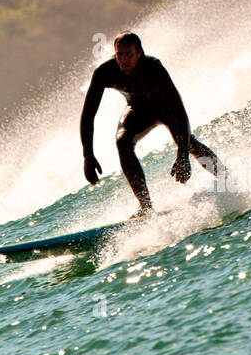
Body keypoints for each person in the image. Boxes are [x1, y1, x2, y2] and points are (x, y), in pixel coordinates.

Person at [80, 31, 224, 216]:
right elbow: (88, 115)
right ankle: (145, 206)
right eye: (119, 54)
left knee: (188, 142)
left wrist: (182, 155)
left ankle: (226, 178)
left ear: (139, 53)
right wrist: (88, 156)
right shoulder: (104, 73)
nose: (123, 60)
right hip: (137, 111)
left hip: (164, 109)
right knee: (122, 142)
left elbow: (178, 111)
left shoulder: (153, 67)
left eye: (128, 54)